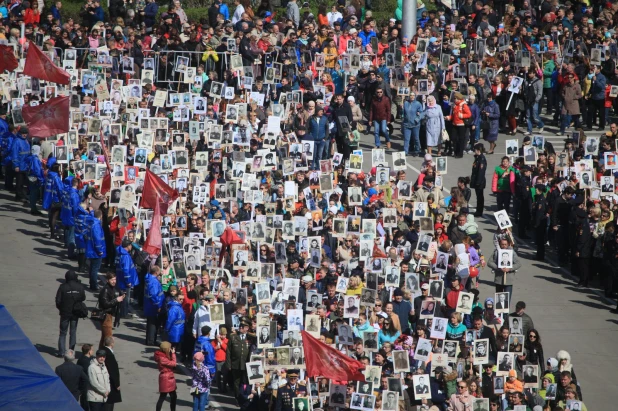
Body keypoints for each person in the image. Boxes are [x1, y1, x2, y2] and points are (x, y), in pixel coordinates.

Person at [55, 270, 86, 357]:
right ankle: (71, 352)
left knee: (62, 333)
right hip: (75, 313)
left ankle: (61, 352)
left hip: (65, 313)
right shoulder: (80, 286)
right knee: (73, 332)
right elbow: (83, 297)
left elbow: (58, 300)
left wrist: (61, 308)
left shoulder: (62, 287)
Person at [98, 273, 124, 350]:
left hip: (109, 315)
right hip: (106, 316)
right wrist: (117, 300)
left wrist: (120, 297)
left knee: (104, 337)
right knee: (109, 338)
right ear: (107, 280)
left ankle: (100, 353)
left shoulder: (111, 288)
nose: (114, 281)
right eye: (112, 280)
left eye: (115, 279)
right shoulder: (106, 290)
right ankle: (107, 356)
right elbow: (105, 304)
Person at [144, 266, 165, 346]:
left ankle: (150, 339)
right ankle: (151, 341)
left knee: (150, 323)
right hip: (153, 306)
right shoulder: (154, 282)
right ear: (156, 272)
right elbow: (154, 295)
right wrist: (158, 305)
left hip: (149, 305)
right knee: (153, 324)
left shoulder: (149, 278)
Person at [154, 342, 177, 411]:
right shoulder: (162, 358)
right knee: (163, 397)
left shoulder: (162, 355)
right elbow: (173, 364)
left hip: (167, 377)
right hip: (167, 378)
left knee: (172, 396)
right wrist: (173, 354)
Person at [102, 336, 122, 409]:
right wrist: (117, 384)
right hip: (110, 381)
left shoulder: (103, 350)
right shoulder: (109, 354)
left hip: (106, 379)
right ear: (112, 344)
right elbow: (113, 370)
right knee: (110, 401)